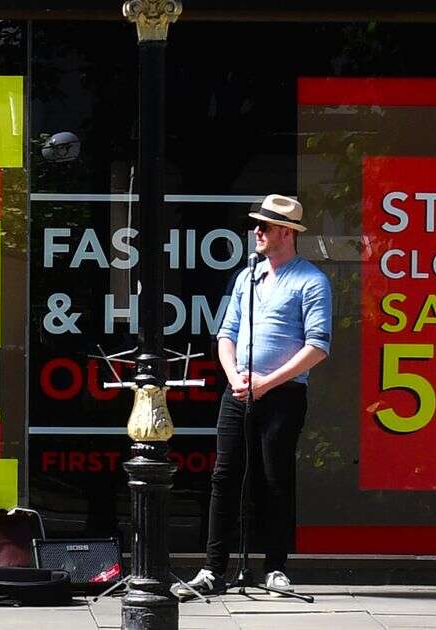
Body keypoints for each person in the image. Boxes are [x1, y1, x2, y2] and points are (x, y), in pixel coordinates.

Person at [172, 194, 332, 598]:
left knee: (274, 477)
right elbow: (226, 334)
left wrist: (268, 381)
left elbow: (318, 346)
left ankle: (276, 567)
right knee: (224, 476)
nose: (255, 232)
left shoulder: (310, 280)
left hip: (283, 392)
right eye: (256, 225)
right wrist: (235, 376)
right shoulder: (247, 277)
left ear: (285, 232)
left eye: (263, 226)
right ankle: (213, 569)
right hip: (239, 389)